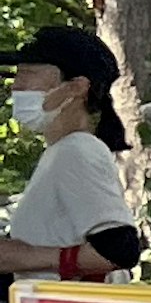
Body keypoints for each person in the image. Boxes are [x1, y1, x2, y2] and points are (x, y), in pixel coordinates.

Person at [0, 31, 140, 286]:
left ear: (76, 86)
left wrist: (18, 256)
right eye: (15, 76)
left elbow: (119, 249)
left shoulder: (77, 150)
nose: (16, 87)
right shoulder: (62, 151)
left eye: (28, 76)